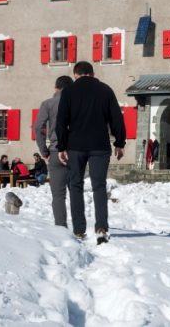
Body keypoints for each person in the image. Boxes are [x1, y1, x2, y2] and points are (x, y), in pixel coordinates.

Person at [56, 61, 126, 245]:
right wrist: (120, 142)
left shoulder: (69, 92)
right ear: (93, 73)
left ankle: (79, 230)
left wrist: (61, 147)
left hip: (75, 146)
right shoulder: (105, 90)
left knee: (76, 185)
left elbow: (61, 121)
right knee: (99, 186)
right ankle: (101, 227)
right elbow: (116, 118)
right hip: (100, 145)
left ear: (75, 74)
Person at [35, 75, 74, 226]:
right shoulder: (79, 103)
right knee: (76, 192)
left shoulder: (48, 104)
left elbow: (38, 127)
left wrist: (44, 152)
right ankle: (79, 227)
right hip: (75, 152)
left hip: (56, 151)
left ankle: (61, 228)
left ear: (56, 88)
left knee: (58, 196)